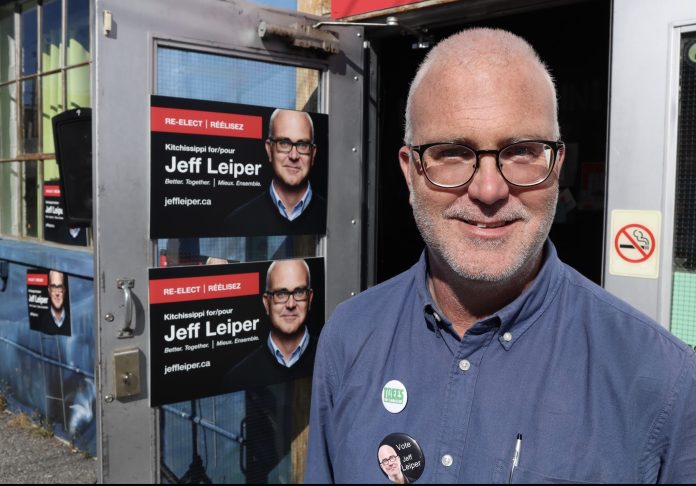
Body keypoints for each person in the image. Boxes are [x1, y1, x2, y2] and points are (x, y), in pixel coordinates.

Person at [305, 28, 696, 484]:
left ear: (557, 166)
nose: (488, 190)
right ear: (410, 172)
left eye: (522, 152)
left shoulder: (660, 378)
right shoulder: (348, 339)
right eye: (451, 152)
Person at [223, 108, 327, 236]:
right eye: (284, 143)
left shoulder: (332, 216)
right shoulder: (237, 222)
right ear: (269, 149)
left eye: (302, 145)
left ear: (313, 153)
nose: (294, 156)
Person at [221, 259, 317, 391]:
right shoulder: (238, 378)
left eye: (299, 292)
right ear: (266, 303)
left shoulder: (330, 358)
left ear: (310, 299)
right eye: (281, 294)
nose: (290, 304)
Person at [40, 270, 71, 336]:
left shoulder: (72, 322)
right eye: (53, 287)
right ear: (49, 290)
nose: (57, 293)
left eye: (60, 287)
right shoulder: (42, 323)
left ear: (64, 290)